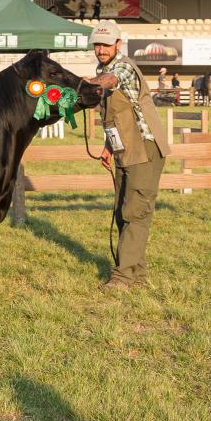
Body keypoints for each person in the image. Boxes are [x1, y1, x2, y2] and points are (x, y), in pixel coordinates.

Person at [88, 20, 168, 291]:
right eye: (97, 44)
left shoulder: (122, 66)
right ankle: (137, 275)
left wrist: (79, 85)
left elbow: (110, 81)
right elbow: (115, 115)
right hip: (124, 148)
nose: (100, 49)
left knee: (135, 211)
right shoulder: (102, 68)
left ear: (118, 45)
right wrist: (109, 146)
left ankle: (122, 279)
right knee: (125, 212)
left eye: (106, 44)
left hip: (145, 147)